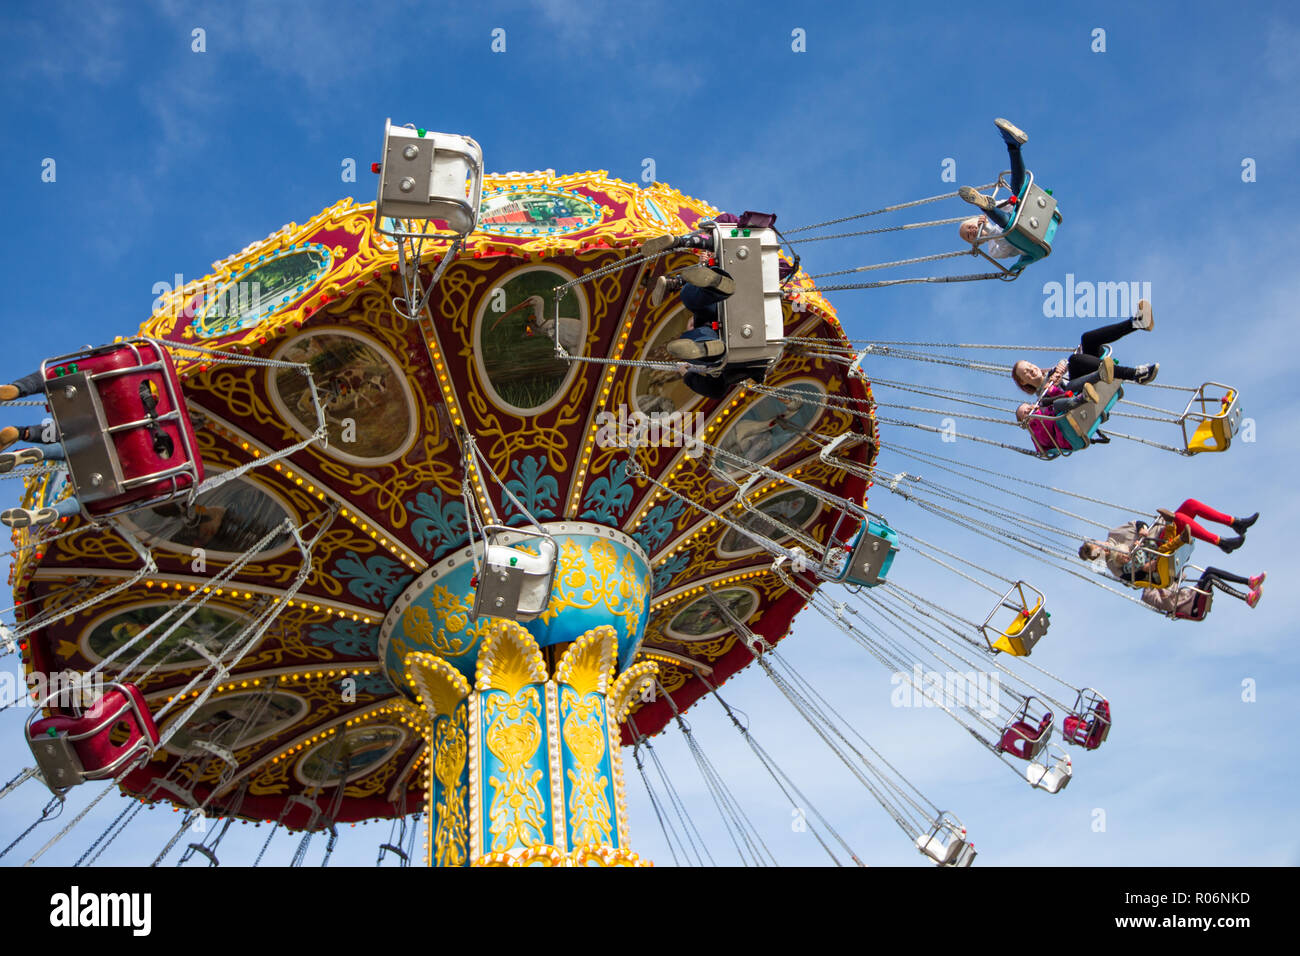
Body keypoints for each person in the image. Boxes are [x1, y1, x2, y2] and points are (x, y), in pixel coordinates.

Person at [1012, 305, 1159, 393]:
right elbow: (1057, 403)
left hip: (1084, 371)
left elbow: (1065, 363)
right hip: (1079, 390)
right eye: (1026, 372)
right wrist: (1053, 387)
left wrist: (1061, 367)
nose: (1031, 369)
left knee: (1087, 339)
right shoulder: (1042, 398)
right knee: (1074, 360)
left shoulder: (1051, 372)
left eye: (1030, 365)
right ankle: (1136, 374)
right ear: (1023, 382)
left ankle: (1138, 322)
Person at [957, 118, 1031, 259]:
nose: (972, 230)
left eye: (970, 226)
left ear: (979, 219)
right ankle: (984, 206)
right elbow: (1006, 245)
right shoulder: (993, 251)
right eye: (968, 234)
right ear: (974, 243)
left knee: (1018, 193)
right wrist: (989, 229)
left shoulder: (998, 210)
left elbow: (1010, 205)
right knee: (1009, 226)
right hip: (1023, 238)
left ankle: (1013, 144)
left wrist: (992, 209)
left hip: (1026, 214)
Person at [1015, 370, 1109, 454]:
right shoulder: (1035, 433)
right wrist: (1038, 415)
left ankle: (1097, 379)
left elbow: (1062, 397)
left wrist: (1052, 391)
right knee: (1056, 406)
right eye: (1025, 413)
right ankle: (1083, 398)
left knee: (1057, 403)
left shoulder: (1043, 410)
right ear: (1025, 422)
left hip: (1066, 417)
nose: (1029, 410)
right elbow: (1046, 437)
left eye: (1028, 407)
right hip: (1064, 436)